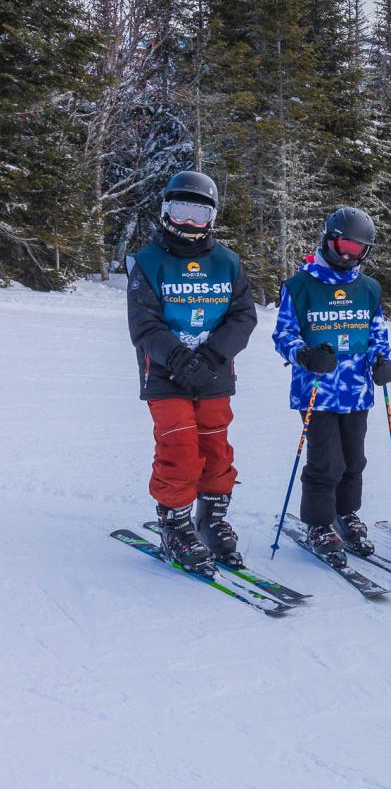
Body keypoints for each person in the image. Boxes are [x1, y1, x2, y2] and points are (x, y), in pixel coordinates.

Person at [126, 171, 257, 572]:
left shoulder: (228, 263)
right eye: (181, 212)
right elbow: (144, 324)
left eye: (198, 214)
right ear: (166, 212)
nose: (189, 223)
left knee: (216, 450)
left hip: (215, 372)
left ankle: (211, 517)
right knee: (180, 451)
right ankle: (177, 524)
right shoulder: (148, 263)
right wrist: (180, 358)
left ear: (212, 218)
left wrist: (213, 355)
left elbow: (243, 316)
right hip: (167, 375)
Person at [272, 207, 391, 568]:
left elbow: (377, 334)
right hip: (317, 389)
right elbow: (283, 335)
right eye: (343, 244)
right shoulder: (299, 286)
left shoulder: (369, 288)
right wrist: (305, 355)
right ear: (328, 238)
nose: (347, 254)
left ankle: (346, 513)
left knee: (354, 460)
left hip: (357, 390)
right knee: (326, 462)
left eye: (357, 249)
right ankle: (318, 524)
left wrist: (383, 361)